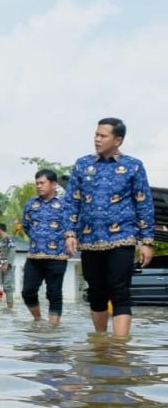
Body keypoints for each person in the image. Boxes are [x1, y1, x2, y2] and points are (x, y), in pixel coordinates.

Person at [64, 118, 155, 337]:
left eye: (103, 136)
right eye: (96, 134)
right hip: (90, 240)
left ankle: (120, 347)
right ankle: (101, 341)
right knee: (96, 293)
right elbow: (72, 201)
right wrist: (69, 233)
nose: (97, 139)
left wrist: (147, 241)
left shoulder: (133, 166)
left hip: (122, 238)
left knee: (120, 291)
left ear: (118, 140)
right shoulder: (82, 164)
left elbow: (143, 203)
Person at [21, 169, 68, 325]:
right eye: (37, 183)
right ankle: (38, 320)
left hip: (57, 256)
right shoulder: (31, 204)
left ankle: (53, 329)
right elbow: (26, 226)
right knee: (27, 291)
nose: (39, 186)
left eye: (42, 183)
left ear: (53, 184)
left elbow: (71, 227)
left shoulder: (65, 205)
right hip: (34, 256)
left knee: (54, 293)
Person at [0, 224, 16, 309]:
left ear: (0, 229)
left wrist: (7, 263)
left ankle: (10, 308)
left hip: (7, 266)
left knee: (8, 287)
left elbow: (12, 250)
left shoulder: (9, 239)